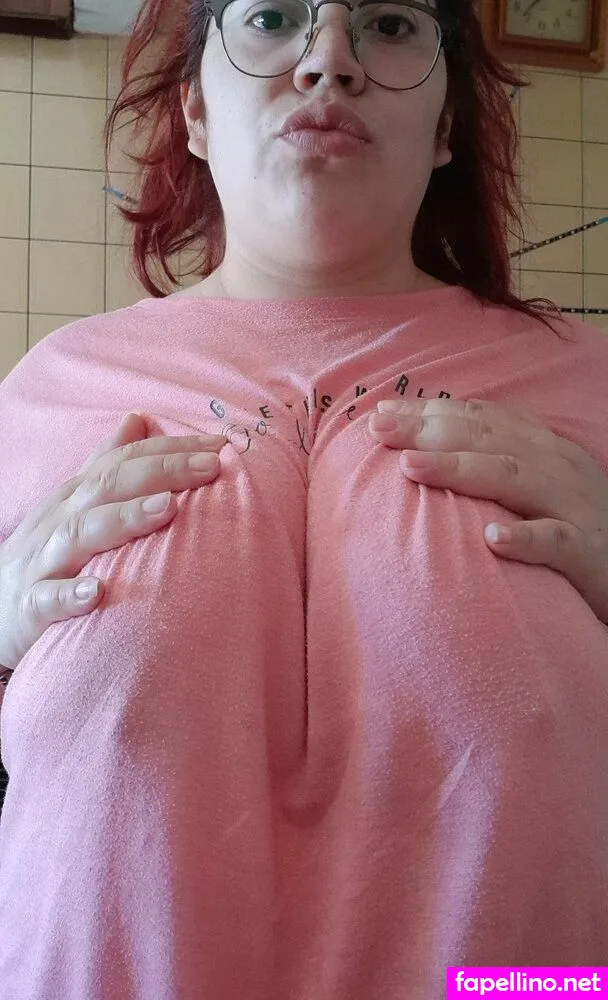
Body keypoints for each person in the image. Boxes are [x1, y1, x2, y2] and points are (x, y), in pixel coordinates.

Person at [0, 0, 607, 996]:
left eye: (390, 24)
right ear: (197, 112)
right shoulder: (45, 393)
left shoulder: (589, 386)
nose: (329, 60)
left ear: (447, 126)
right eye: (274, 16)